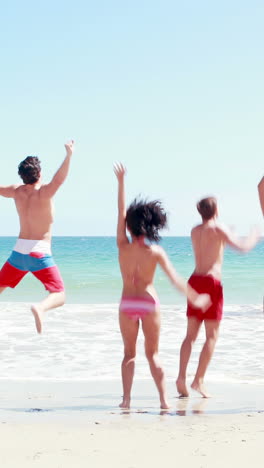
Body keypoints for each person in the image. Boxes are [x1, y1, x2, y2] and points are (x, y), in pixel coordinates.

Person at [114, 163, 211, 410]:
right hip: (148, 301)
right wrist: (195, 297)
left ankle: (126, 400)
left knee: (129, 354)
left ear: (128, 226)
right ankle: (164, 401)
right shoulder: (155, 252)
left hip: (127, 302)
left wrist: (121, 181)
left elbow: (120, 210)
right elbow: (175, 278)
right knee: (153, 355)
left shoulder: (122, 246)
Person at [176, 196, 260, 398]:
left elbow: (212, 243)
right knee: (211, 336)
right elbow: (242, 248)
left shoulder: (194, 231)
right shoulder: (219, 229)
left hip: (194, 280)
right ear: (216, 210)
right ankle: (198, 380)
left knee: (190, 335)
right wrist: (254, 236)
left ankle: (181, 377)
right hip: (211, 282)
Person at [0, 140, 74, 334]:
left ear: (22, 176)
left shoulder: (16, 192)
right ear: (39, 174)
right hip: (39, 251)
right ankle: (40, 308)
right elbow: (59, 180)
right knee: (59, 294)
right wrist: (69, 155)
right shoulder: (44, 193)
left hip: (18, 252)